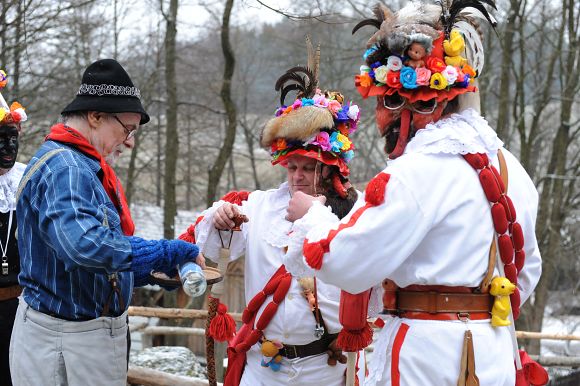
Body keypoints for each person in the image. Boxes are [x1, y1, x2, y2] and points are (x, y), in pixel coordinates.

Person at [285, 2, 544, 386]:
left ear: (419, 101)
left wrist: (313, 216)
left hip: (427, 356)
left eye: (387, 100)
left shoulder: (418, 170)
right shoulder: (510, 167)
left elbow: (348, 260)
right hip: (492, 352)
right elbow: (527, 272)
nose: (380, 118)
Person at [9, 59, 205, 386]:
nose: (129, 141)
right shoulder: (67, 169)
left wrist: (150, 272)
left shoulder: (80, 165)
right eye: (126, 129)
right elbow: (84, 247)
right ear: (96, 116)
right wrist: (164, 253)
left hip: (76, 340)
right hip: (66, 342)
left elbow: (88, 262)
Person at [187, 42, 365, 386]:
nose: (297, 176)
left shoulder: (351, 215)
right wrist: (220, 217)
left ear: (329, 170)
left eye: (308, 168)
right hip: (262, 367)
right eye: (291, 167)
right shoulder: (258, 206)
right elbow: (209, 249)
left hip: (324, 368)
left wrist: (315, 215)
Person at [0, 70, 27, 386]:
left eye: (13, 138)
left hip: (22, 306)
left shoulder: (25, 180)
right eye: (0, 139)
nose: (9, 146)